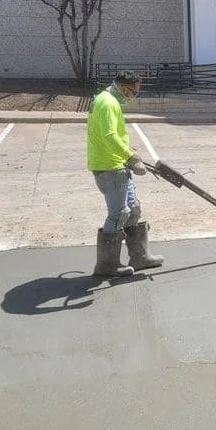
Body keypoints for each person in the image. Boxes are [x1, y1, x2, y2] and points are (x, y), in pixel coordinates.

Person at [86, 70, 163, 277]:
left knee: (133, 209)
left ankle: (140, 257)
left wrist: (129, 154)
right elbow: (110, 135)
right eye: (132, 91)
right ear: (122, 86)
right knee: (119, 214)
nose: (134, 96)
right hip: (109, 167)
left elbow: (115, 135)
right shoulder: (108, 103)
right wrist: (131, 157)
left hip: (119, 164)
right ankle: (106, 265)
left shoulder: (109, 100)